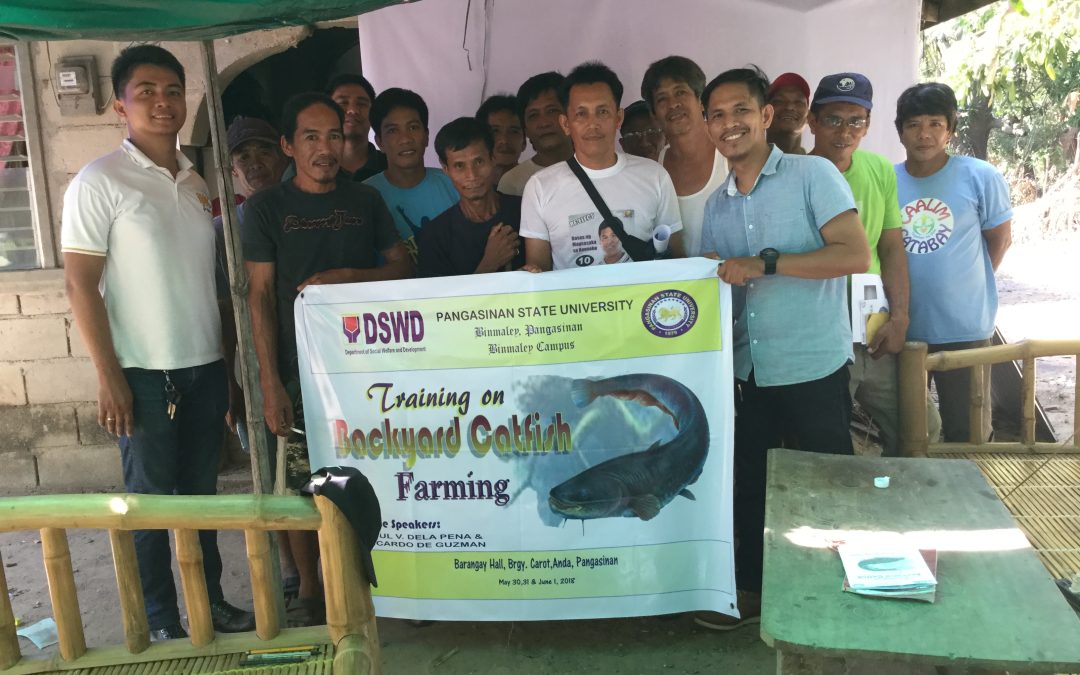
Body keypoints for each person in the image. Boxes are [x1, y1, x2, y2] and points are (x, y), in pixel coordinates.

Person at [61, 44, 255, 642]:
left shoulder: (198, 184)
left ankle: (210, 602)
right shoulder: (99, 182)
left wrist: (227, 371)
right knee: (147, 505)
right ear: (121, 104)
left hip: (202, 369)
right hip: (142, 377)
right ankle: (161, 618)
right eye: (146, 90)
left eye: (172, 90)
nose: (162, 101)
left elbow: (210, 289)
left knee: (202, 500)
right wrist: (109, 376)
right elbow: (80, 285)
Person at [698, 66, 870, 629]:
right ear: (707, 126)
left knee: (829, 482)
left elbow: (854, 255)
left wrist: (767, 263)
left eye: (741, 111)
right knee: (750, 485)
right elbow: (720, 285)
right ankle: (750, 593)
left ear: (766, 116)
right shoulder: (715, 206)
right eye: (718, 115)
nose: (730, 124)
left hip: (813, 365)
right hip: (750, 370)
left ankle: (853, 589)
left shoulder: (811, 175)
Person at [242, 92, 412, 625]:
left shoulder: (366, 202)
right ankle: (310, 590)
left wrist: (345, 279)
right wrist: (270, 382)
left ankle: (384, 582)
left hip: (367, 370)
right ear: (289, 145)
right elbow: (259, 298)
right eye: (311, 137)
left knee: (372, 474)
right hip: (296, 373)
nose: (325, 148)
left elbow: (401, 268)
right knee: (297, 483)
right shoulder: (266, 209)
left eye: (334, 135)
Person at [894, 82, 1012, 442]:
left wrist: (965, 287)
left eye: (935, 124)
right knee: (909, 435)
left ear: (951, 128)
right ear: (900, 131)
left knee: (969, 434)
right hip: (904, 330)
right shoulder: (888, 180)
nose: (924, 135)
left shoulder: (980, 177)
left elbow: (1000, 240)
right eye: (914, 124)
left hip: (965, 329)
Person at [807, 72, 911, 456]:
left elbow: (892, 248)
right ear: (812, 121)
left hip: (873, 329)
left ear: (867, 125)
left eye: (856, 121)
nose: (845, 131)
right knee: (827, 442)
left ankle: (900, 508)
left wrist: (899, 318)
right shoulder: (791, 174)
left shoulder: (880, 169)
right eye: (833, 119)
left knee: (918, 426)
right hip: (819, 333)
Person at [520, 61, 683, 271]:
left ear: (618, 118)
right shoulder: (540, 187)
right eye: (581, 114)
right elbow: (538, 272)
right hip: (575, 304)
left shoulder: (654, 176)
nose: (593, 124)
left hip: (642, 303)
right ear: (565, 124)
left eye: (603, 111)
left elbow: (678, 261)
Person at [641, 56, 728, 257]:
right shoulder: (655, 168)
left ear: (701, 101)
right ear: (654, 115)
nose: (673, 104)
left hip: (733, 285)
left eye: (681, 92)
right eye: (662, 99)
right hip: (679, 289)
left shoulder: (729, 157)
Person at [417, 117, 526, 277]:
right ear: (446, 169)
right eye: (459, 166)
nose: (472, 175)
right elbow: (440, 301)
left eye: (479, 162)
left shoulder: (526, 211)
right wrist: (489, 263)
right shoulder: (435, 236)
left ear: (493, 158)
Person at [364, 87, 458, 261]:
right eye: (393, 130)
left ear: (427, 136)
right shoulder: (364, 196)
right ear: (379, 142)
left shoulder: (455, 184)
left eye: (413, 127)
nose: (405, 139)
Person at [497, 72, 575, 196]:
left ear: (571, 117)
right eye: (533, 115)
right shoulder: (513, 183)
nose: (544, 123)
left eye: (552, 111)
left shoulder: (598, 168)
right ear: (525, 130)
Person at [328, 73, 388, 182]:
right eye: (343, 103)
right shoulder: (314, 167)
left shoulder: (391, 166)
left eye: (361, 104)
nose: (353, 110)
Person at [475, 94, 526, 187]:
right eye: (495, 131)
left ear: (524, 143)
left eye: (514, 131)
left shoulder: (536, 185)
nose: (504, 140)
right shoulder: (466, 187)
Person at [765, 72, 810, 155]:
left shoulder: (816, 166)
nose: (789, 107)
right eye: (779, 101)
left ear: (809, 116)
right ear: (765, 114)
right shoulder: (743, 163)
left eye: (798, 102)